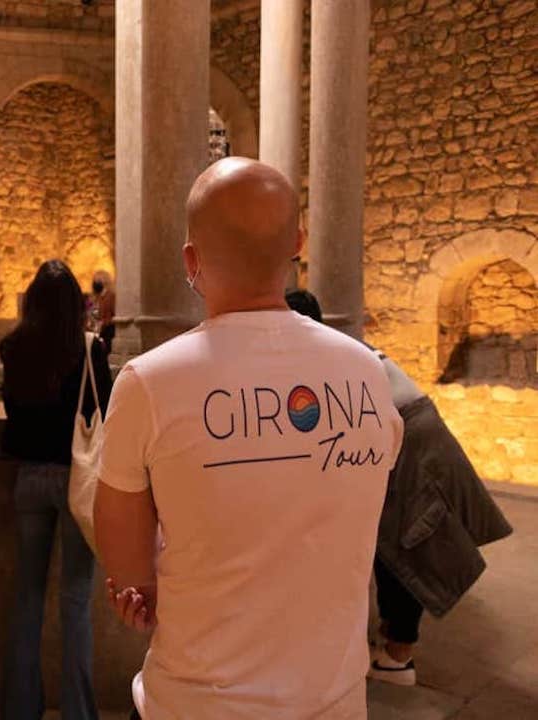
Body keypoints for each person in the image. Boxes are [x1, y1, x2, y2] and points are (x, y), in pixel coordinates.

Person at [94, 158, 405, 719]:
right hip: (333, 702)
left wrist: (147, 588)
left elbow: (130, 572)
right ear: (298, 242)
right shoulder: (366, 373)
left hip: (197, 703)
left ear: (191, 260)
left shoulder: (149, 383)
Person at [285, 288, 513, 687]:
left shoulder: (319, 357)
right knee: (398, 540)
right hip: (414, 431)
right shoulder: (336, 347)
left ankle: (397, 656)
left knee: (405, 544)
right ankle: (394, 642)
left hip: (411, 440)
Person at [0, 260, 113, 720]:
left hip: (29, 477)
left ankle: (20, 708)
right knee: (75, 598)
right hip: (76, 478)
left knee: (26, 596)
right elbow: (105, 410)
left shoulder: (13, 348)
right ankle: (78, 713)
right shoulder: (88, 349)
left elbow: (11, 410)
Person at [89, 270, 116, 347]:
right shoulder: (97, 297)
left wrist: (103, 322)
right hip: (97, 332)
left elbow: (115, 316)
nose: (95, 283)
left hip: (108, 331)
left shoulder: (111, 296)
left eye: (97, 281)